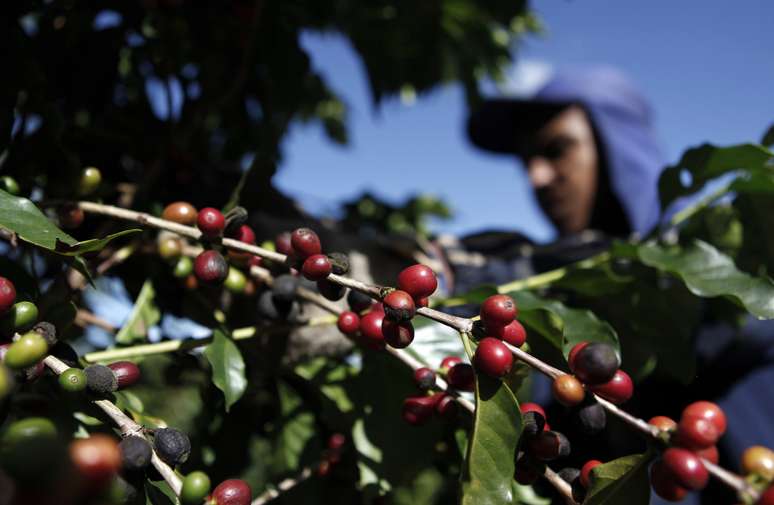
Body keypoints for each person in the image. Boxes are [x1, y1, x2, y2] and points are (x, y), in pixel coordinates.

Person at [458, 66, 773, 505]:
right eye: (527, 161)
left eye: (556, 149)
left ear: (616, 144)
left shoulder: (716, 250)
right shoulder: (554, 280)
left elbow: (737, 329)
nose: (537, 178)